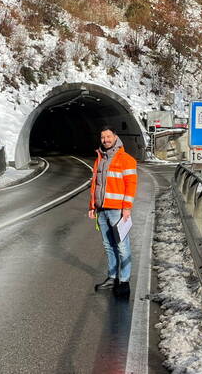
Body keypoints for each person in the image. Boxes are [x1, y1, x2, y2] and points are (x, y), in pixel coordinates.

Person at [88, 125, 138, 297]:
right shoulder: (100, 158)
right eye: (103, 137)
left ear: (115, 137)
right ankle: (112, 277)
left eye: (109, 136)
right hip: (102, 209)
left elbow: (131, 185)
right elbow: (95, 184)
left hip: (118, 210)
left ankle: (124, 282)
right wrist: (92, 206)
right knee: (109, 246)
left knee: (123, 247)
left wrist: (127, 208)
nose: (106, 140)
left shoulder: (126, 159)